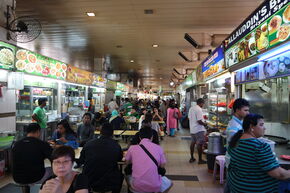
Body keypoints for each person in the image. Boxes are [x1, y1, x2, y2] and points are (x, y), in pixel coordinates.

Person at [227, 114, 290, 193]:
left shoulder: (235, 142)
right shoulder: (260, 146)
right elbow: (280, 175)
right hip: (256, 190)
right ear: (251, 127)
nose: (264, 128)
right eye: (261, 125)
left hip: (237, 187)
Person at [77, 123, 123, 193]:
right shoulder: (116, 145)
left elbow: (81, 160)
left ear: (100, 132)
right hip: (108, 181)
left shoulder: (89, 144)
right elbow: (119, 159)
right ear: (112, 133)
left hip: (89, 180)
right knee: (121, 175)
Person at [125, 128, 172, 193]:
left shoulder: (132, 148)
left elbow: (127, 163)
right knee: (169, 183)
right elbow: (162, 165)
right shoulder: (158, 148)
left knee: (127, 173)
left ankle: (131, 189)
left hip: (137, 186)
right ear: (152, 137)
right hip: (154, 187)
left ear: (139, 137)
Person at [12, 123, 53, 192]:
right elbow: (53, 158)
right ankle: (46, 190)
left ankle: (25, 189)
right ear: (38, 132)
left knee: (26, 170)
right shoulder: (42, 144)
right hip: (37, 177)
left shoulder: (16, 144)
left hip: (17, 177)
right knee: (53, 169)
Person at [188, 98, 207, 164]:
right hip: (199, 130)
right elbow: (199, 121)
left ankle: (192, 157)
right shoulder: (199, 109)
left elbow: (189, 118)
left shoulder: (191, 108)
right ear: (201, 103)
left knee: (193, 143)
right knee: (199, 144)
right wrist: (205, 124)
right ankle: (200, 159)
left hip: (192, 129)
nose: (203, 105)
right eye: (203, 103)